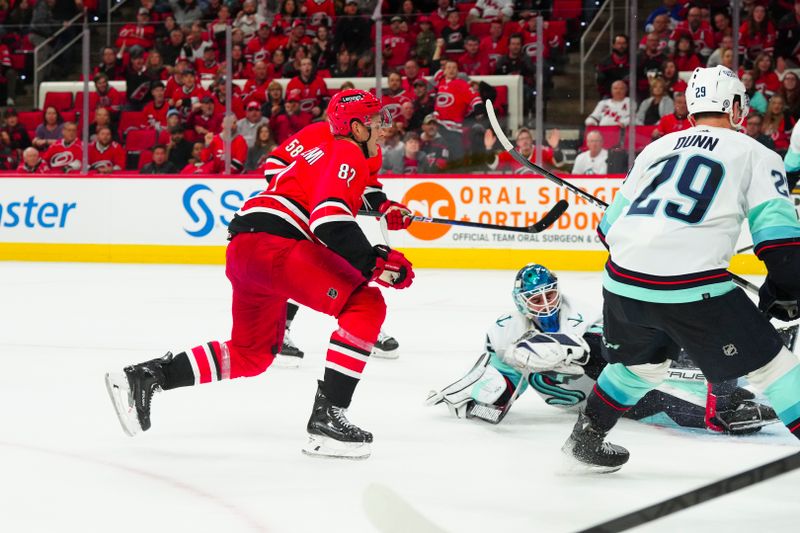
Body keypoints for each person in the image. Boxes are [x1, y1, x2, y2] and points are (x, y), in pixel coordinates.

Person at [105, 90, 415, 459]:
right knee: (365, 303)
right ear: (356, 127)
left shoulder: (329, 152)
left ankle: (149, 376)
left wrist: (383, 208)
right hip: (277, 246)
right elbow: (329, 219)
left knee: (251, 354)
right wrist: (374, 262)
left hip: (245, 249)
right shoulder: (346, 150)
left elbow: (334, 197)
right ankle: (329, 419)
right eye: (377, 122)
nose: (384, 128)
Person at [561, 66, 800, 473]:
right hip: (693, 289)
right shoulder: (757, 153)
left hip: (620, 284)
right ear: (734, 105)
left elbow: (607, 230)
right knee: (773, 366)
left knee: (639, 367)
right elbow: (779, 244)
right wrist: (787, 290)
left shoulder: (656, 149)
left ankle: (586, 435)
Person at [427, 264, 778, 433]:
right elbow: (497, 402)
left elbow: (610, 351)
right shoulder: (507, 333)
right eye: (537, 298)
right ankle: (741, 413)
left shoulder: (580, 312)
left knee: (687, 365)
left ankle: (748, 391)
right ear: (521, 302)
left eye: (551, 294)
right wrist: (474, 403)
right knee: (674, 410)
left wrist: (571, 352)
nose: (547, 304)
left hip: (618, 373)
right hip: (597, 400)